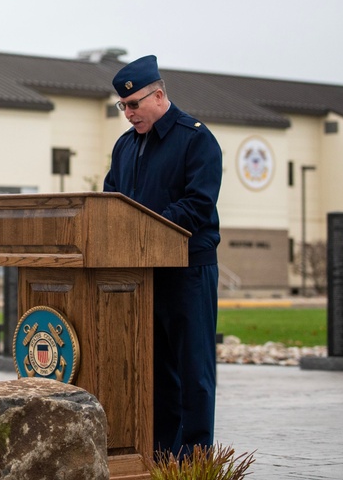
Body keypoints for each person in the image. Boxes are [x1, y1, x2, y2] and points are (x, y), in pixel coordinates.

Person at [102, 55, 222, 458]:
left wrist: (143, 225)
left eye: (133, 104)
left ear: (158, 95)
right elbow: (110, 201)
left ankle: (194, 457)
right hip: (143, 272)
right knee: (154, 370)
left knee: (194, 369)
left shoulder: (196, 139)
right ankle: (160, 454)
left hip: (188, 269)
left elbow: (198, 204)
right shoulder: (125, 146)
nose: (128, 113)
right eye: (123, 106)